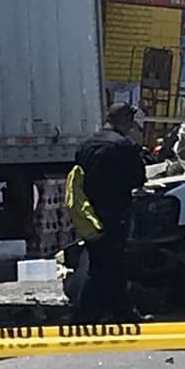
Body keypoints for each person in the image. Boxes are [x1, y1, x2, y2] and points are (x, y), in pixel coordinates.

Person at [73, 102, 147, 321]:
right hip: (116, 212)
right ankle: (87, 314)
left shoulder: (86, 144)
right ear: (124, 119)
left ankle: (117, 311)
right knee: (111, 263)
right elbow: (138, 179)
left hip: (90, 212)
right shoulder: (124, 146)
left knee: (100, 260)